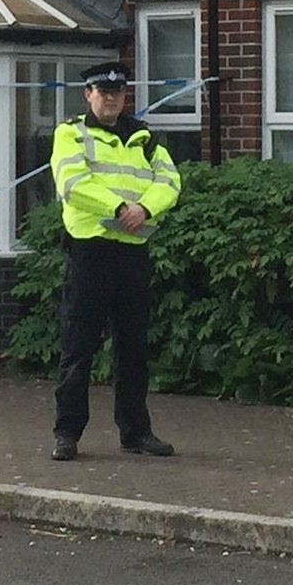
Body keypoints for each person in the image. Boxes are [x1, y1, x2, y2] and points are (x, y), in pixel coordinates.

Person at [49, 59, 182, 460]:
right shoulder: (71, 133)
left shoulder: (144, 137)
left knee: (133, 346)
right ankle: (67, 434)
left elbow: (171, 181)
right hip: (91, 249)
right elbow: (73, 183)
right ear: (88, 94)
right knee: (79, 344)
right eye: (102, 93)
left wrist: (145, 210)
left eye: (117, 93)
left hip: (132, 249)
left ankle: (136, 432)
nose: (110, 99)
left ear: (125, 96)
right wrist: (121, 206)